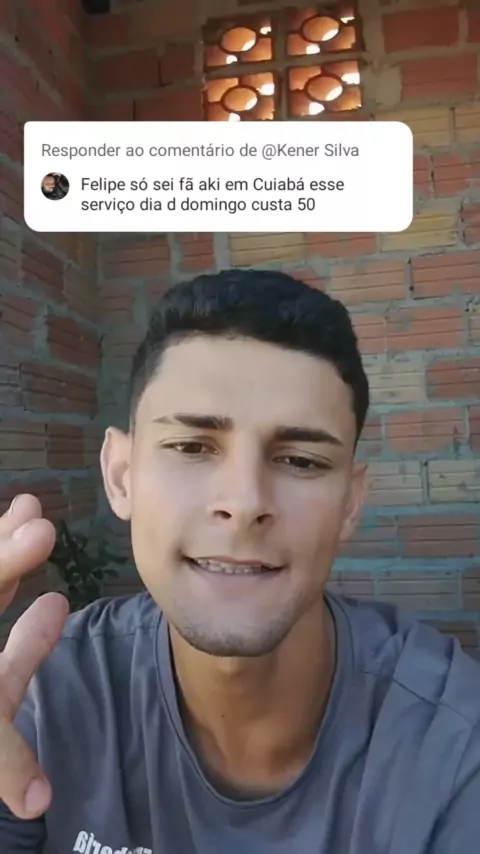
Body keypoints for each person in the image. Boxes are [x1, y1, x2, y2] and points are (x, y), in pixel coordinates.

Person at [0, 269, 479, 853]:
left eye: (301, 460)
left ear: (350, 504)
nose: (245, 502)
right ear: (122, 476)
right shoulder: (50, 695)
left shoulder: (452, 743)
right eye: (191, 447)